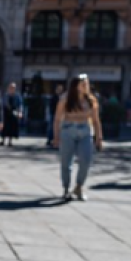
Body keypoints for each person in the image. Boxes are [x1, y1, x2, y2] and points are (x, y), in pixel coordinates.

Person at [52, 73, 103, 201]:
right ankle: (66, 188)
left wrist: (99, 138)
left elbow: (96, 120)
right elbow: (57, 119)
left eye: (86, 84)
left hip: (85, 131)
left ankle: (79, 186)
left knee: (86, 160)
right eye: (83, 84)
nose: (85, 86)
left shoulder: (91, 100)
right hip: (68, 130)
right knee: (66, 161)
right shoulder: (65, 99)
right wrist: (56, 136)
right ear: (76, 86)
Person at [0, 82, 22, 146]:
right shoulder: (5, 95)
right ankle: (3, 140)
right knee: (5, 127)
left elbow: (20, 105)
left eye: (13, 88)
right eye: (11, 87)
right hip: (6, 113)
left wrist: (20, 112)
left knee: (12, 128)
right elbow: (3, 104)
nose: (12, 89)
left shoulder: (17, 96)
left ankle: (10, 141)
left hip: (14, 114)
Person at [45, 83, 63, 148]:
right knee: (51, 127)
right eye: (58, 89)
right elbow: (51, 106)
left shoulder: (61, 98)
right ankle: (50, 140)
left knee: (58, 128)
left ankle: (56, 140)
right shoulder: (53, 97)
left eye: (61, 89)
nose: (60, 90)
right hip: (53, 114)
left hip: (59, 115)